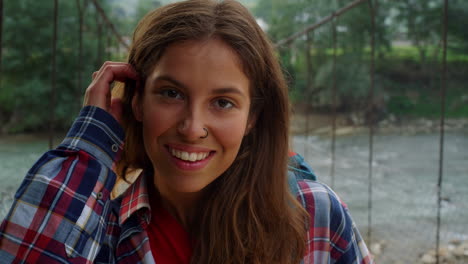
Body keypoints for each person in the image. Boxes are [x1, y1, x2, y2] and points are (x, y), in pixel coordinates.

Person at [0, 0, 373, 263]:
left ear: (253, 117)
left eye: (223, 102)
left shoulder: (316, 215)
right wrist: (92, 142)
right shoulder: (95, 233)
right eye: (171, 93)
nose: (192, 128)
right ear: (137, 102)